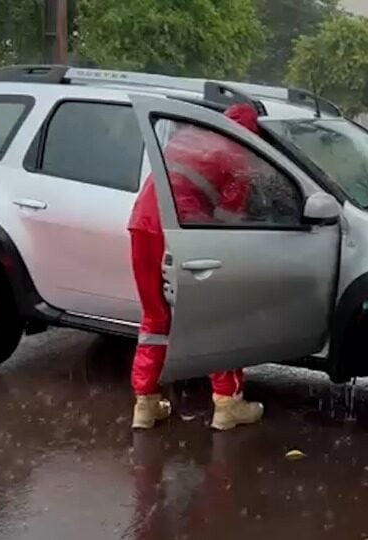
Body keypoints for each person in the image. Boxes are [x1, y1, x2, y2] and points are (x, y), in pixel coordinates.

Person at [128, 103, 265, 431]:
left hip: (142, 223)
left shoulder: (188, 136)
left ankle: (145, 405)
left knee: (154, 318)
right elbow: (229, 220)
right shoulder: (239, 155)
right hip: (183, 230)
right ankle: (227, 403)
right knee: (215, 316)